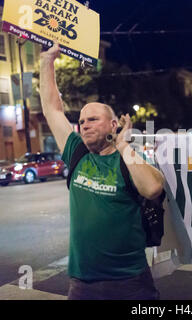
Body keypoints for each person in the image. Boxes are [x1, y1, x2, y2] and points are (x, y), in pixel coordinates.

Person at [40, 42, 165, 300]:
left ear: (113, 124)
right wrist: (47, 62)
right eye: (82, 121)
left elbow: (153, 188)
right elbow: (52, 109)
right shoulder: (77, 152)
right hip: (82, 282)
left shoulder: (127, 159)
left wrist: (123, 145)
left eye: (93, 119)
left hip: (130, 282)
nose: (84, 125)